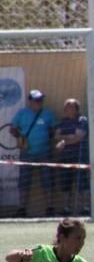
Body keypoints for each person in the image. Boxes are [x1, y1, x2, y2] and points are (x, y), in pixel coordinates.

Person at [12, 89, 57, 217]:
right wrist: (20, 138)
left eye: (41, 100)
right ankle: (22, 208)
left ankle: (49, 207)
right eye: (37, 100)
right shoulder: (22, 113)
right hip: (27, 153)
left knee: (47, 180)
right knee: (24, 181)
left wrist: (52, 136)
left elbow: (54, 129)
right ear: (30, 101)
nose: (39, 102)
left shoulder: (49, 114)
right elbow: (12, 129)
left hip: (45, 152)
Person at [54, 98, 89, 216]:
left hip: (79, 157)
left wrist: (64, 141)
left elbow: (78, 137)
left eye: (70, 107)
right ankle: (66, 208)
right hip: (65, 158)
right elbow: (56, 136)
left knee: (82, 183)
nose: (67, 109)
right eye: (66, 107)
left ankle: (85, 207)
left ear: (76, 109)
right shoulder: (62, 122)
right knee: (65, 183)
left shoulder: (82, 120)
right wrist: (67, 137)